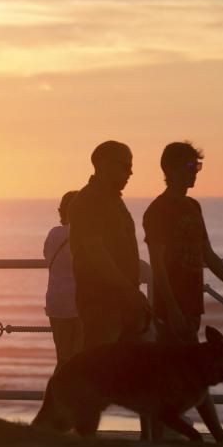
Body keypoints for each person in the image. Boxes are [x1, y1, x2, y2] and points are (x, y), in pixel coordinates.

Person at [143, 141, 223, 442]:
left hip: (192, 303)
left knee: (190, 374)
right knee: (179, 375)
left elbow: (208, 254)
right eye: (191, 167)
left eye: (198, 167)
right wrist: (171, 309)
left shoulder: (193, 207)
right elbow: (158, 266)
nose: (196, 173)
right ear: (170, 169)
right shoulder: (158, 211)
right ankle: (190, 436)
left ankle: (172, 436)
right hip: (173, 307)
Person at [68, 141, 151, 352]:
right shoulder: (88, 201)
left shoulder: (114, 200)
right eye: (125, 165)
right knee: (101, 366)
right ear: (105, 165)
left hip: (122, 302)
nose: (130, 172)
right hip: (101, 303)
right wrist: (128, 290)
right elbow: (96, 252)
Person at [43, 190, 82, 365]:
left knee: (63, 357)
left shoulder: (53, 234)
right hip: (77, 302)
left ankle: (55, 391)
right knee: (80, 357)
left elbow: (46, 255)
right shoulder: (80, 234)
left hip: (55, 302)